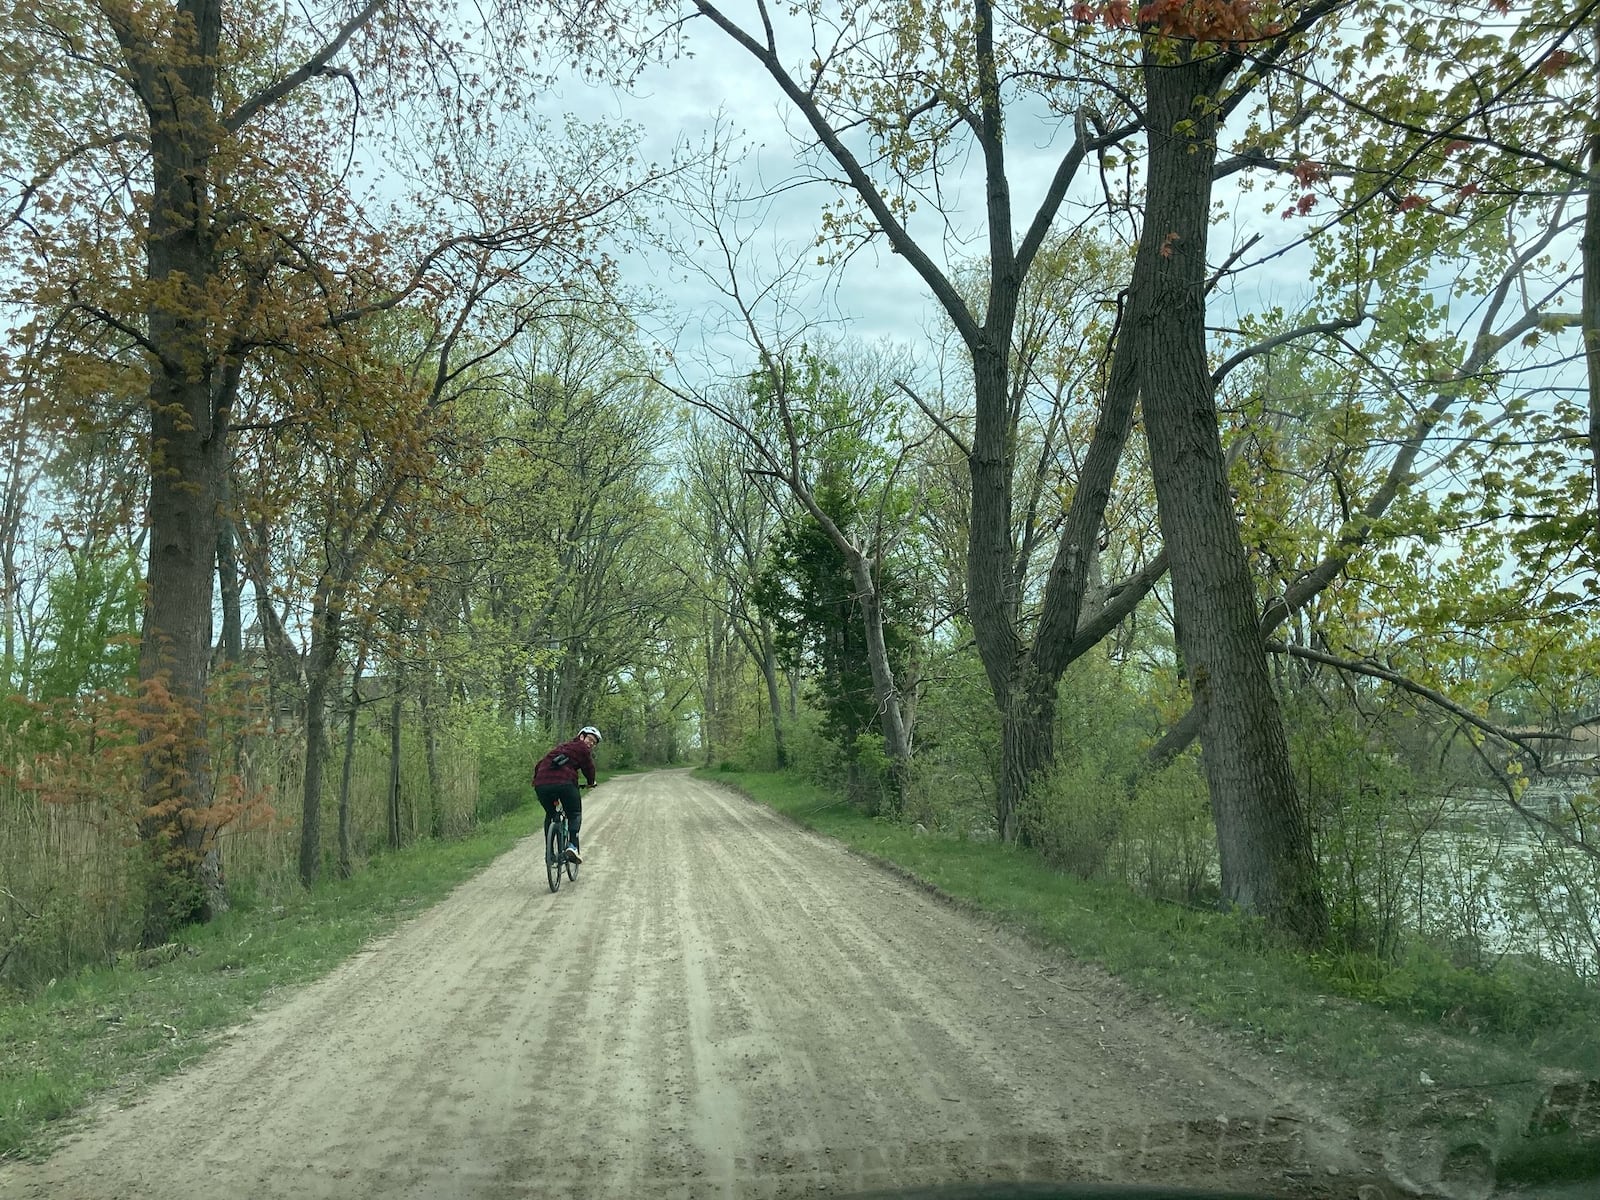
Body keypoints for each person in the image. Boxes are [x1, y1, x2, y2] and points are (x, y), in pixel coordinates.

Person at [533, 725, 601, 864]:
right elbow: (588, 767)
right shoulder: (582, 748)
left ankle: (550, 854)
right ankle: (572, 847)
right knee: (574, 813)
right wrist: (591, 782)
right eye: (590, 739)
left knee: (551, 815)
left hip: (541, 785)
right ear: (581, 736)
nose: (591, 744)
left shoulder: (559, 748)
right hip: (565, 783)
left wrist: (538, 780)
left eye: (593, 743)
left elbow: (539, 765)